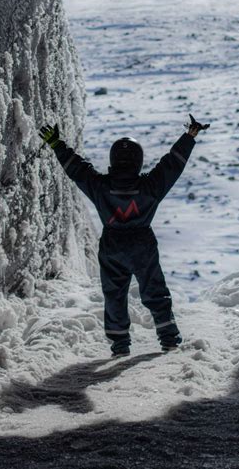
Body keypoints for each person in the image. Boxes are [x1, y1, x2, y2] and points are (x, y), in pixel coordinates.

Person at [38, 115, 210, 358]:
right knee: (154, 290)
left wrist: (57, 144)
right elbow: (172, 164)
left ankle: (120, 347)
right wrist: (189, 136)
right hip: (142, 244)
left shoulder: (99, 186)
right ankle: (169, 340)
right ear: (138, 161)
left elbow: (77, 169)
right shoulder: (151, 186)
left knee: (115, 294)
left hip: (112, 245)